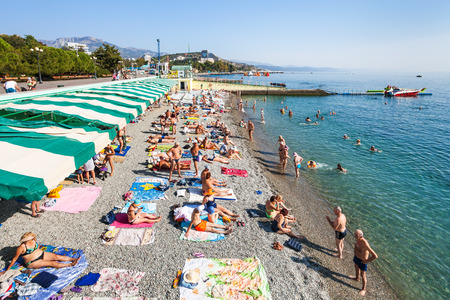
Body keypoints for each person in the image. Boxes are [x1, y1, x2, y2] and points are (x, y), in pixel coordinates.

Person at [0, 232, 80, 273]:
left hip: (41, 254)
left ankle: (73, 259)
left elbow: (37, 247)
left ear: (32, 238)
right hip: (32, 262)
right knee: (51, 263)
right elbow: (14, 259)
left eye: (27, 240)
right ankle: (69, 264)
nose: (25, 242)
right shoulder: (21, 248)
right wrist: (7, 270)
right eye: (24, 241)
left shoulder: (34, 240)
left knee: (57, 257)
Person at [350, 229, 378, 296]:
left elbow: (375, 256)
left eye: (356, 235)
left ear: (361, 236)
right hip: (356, 257)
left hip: (362, 261)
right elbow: (356, 246)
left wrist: (367, 261)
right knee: (356, 266)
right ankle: (357, 278)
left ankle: (364, 289)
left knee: (363, 275)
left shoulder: (365, 243)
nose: (354, 236)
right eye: (354, 234)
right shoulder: (357, 239)